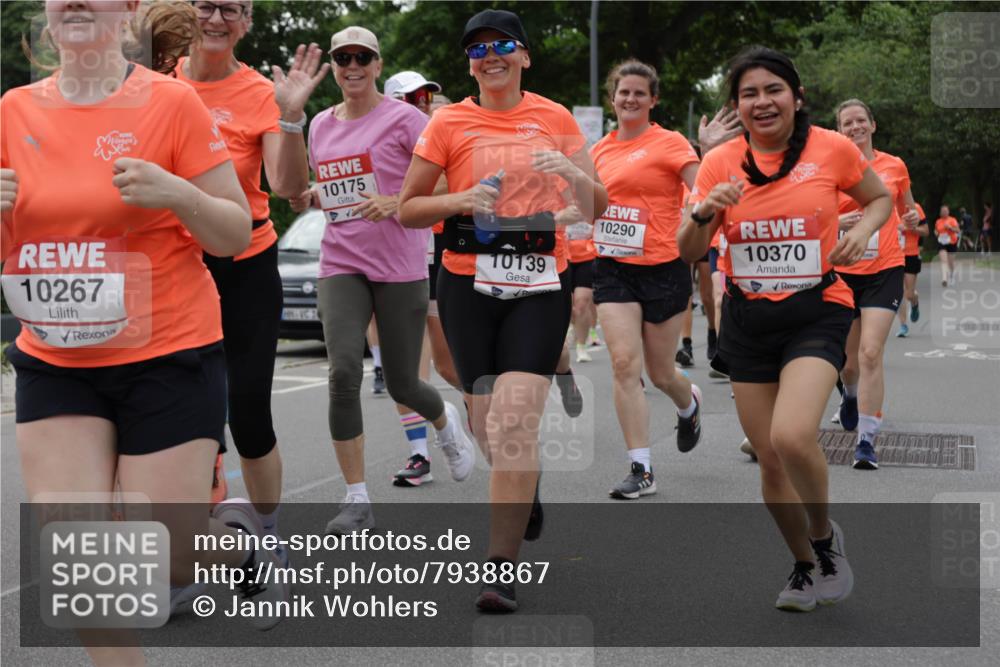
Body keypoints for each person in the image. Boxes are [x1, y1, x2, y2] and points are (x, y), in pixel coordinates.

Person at [0, 1, 294, 660]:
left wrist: (176, 193)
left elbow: (231, 232)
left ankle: (240, 543)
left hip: (167, 352)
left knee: (171, 557)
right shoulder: (12, 111)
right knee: (79, 555)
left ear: (127, 9)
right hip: (56, 360)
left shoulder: (171, 103)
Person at [398, 9, 607, 611]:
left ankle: (500, 567)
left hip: (542, 282)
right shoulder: (448, 123)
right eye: (476, 49)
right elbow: (410, 208)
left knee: (514, 424)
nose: (489, 55)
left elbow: (597, 205)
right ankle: (523, 489)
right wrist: (460, 198)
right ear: (469, 63)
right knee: (492, 428)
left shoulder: (555, 117)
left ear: (524, 56)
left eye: (502, 45)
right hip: (467, 286)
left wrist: (573, 172)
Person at [678, 46, 892, 612]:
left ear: (796, 97)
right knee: (770, 462)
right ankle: (803, 564)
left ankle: (824, 539)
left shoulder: (832, 148)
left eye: (773, 89)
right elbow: (688, 249)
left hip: (817, 308)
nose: (761, 101)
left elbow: (879, 197)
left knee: (790, 437)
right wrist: (704, 213)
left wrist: (864, 228)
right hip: (748, 320)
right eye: (748, 93)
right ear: (736, 107)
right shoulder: (722, 162)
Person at [288, 26, 475, 534]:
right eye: (343, 57)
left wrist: (398, 203)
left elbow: (447, 176)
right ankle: (356, 498)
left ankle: (445, 425)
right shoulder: (321, 125)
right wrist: (313, 195)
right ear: (333, 63)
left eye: (362, 57)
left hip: (400, 264)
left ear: (377, 63)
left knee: (403, 382)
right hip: (341, 262)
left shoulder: (407, 118)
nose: (352, 65)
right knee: (343, 372)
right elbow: (340, 188)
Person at [176, 0, 326, 564]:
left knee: (247, 410)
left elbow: (289, 185)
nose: (216, 19)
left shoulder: (261, 91)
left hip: (244, 262)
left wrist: (289, 119)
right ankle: (192, 543)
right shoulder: (157, 80)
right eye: (206, 6)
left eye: (231, 9)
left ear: (247, 23)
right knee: (183, 406)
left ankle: (268, 534)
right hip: (175, 263)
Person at [588, 60, 704, 499]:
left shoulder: (670, 143)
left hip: (663, 266)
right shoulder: (598, 151)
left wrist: (696, 205)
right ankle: (641, 467)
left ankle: (687, 402)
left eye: (639, 93)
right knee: (623, 365)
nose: (630, 99)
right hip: (613, 268)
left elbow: (701, 186)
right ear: (612, 98)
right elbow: (589, 207)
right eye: (623, 92)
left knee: (660, 373)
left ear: (653, 100)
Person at [832, 98, 919, 469]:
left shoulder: (894, 166)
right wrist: (840, 225)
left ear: (873, 124)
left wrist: (912, 218)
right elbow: (815, 218)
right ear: (839, 131)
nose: (855, 127)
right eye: (847, 123)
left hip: (885, 269)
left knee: (870, 353)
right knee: (847, 363)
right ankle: (849, 396)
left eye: (860, 120)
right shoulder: (830, 170)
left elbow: (907, 209)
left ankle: (867, 439)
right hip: (843, 272)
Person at [896, 202, 928, 337]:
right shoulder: (886, 206)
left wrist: (910, 228)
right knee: (897, 292)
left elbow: (926, 231)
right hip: (892, 255)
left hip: (910, 254)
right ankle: (903, 325)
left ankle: (915, 303)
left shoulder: (915, 208)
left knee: (909, 294)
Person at [935, 205, 959, 286]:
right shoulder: (938, 221)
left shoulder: (952, 220)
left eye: (946, 211)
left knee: (951, 262)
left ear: (948, 212)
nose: (944, 212)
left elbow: (958, 230)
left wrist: (950, 228)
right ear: (940, 212)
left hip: (951, 242)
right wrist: (936, 233)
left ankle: (952, 275)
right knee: (943, 260)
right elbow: (937, 231)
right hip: (942, 242)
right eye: (942, 211)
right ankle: (944, 278)